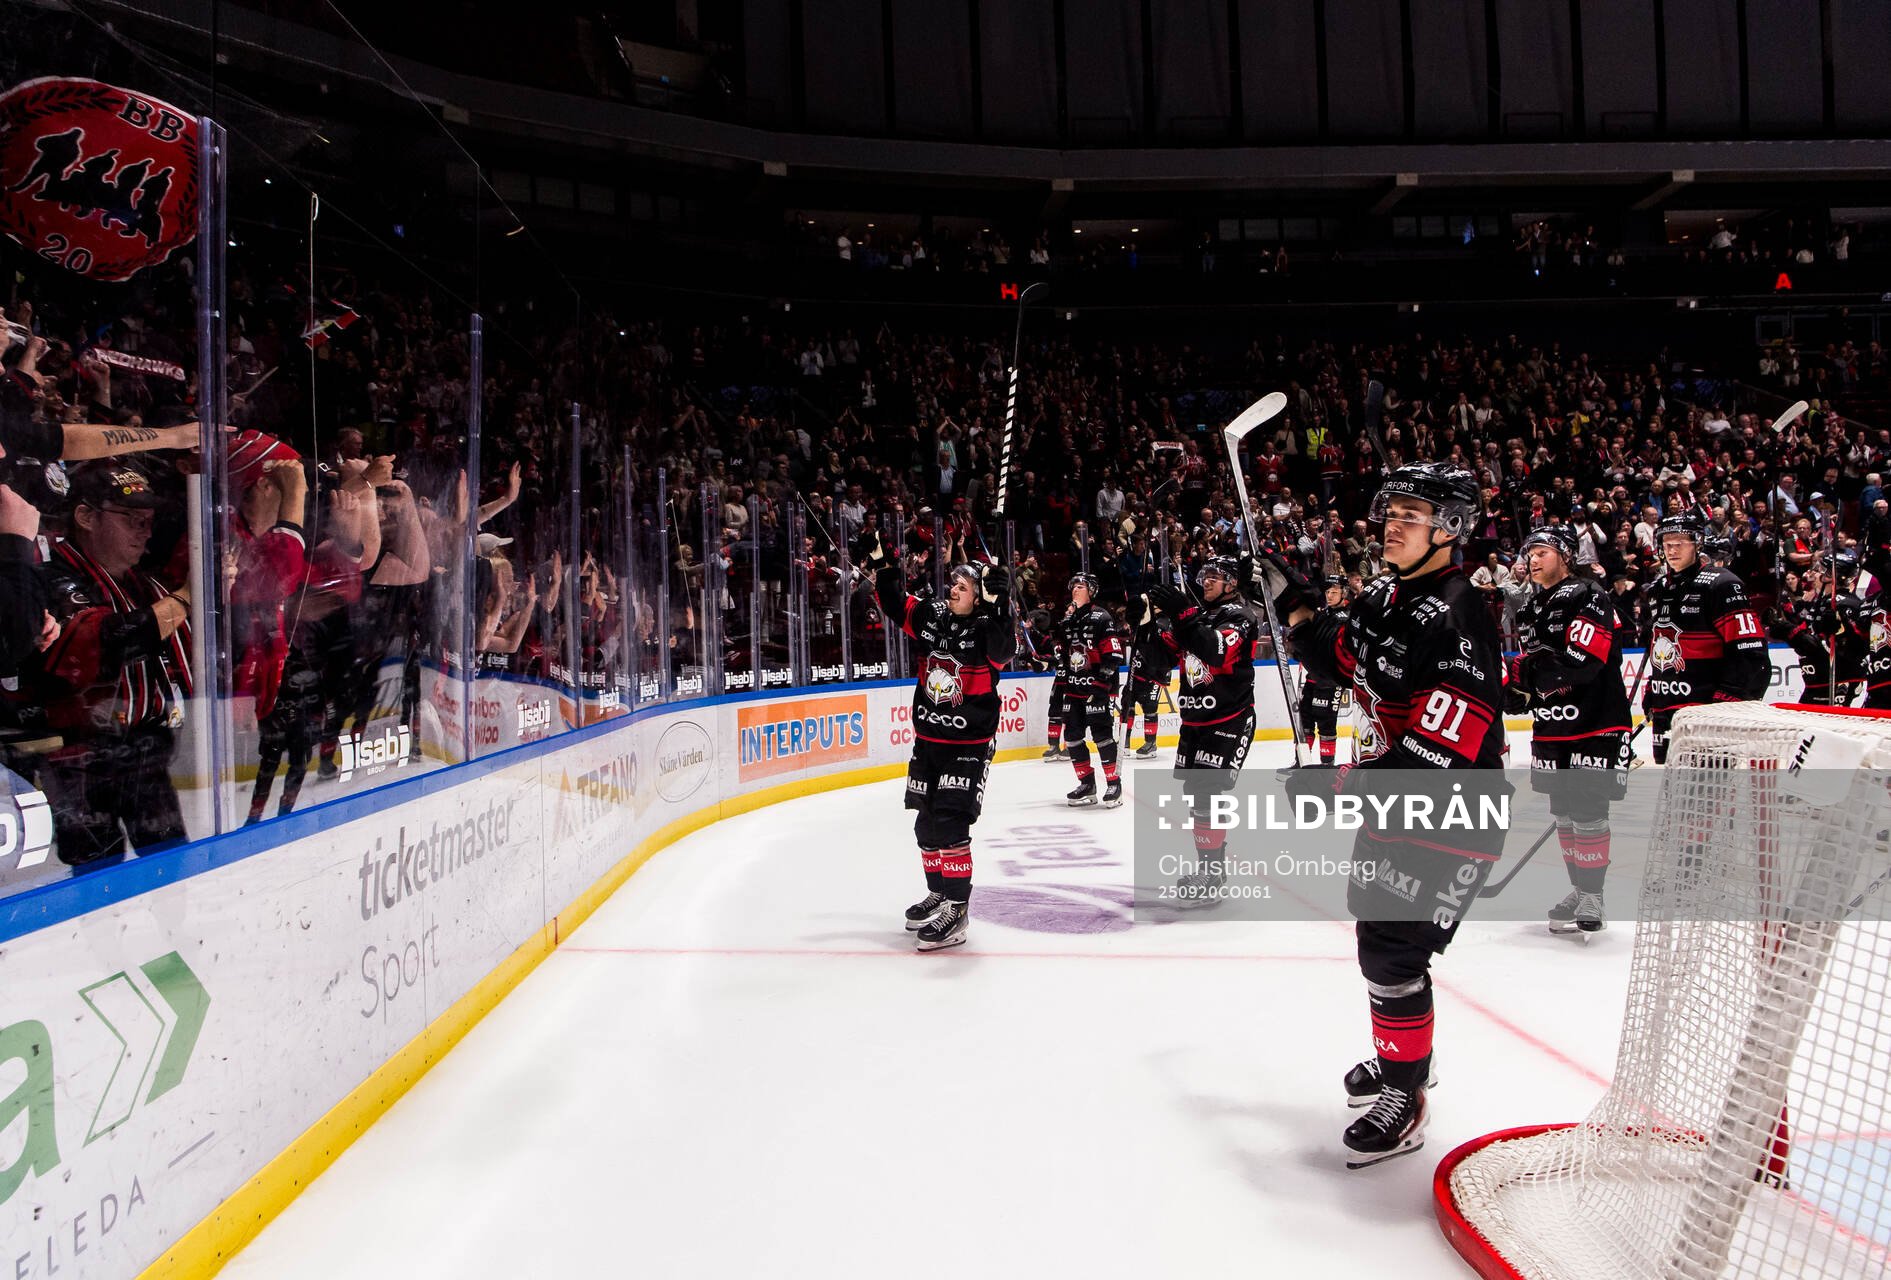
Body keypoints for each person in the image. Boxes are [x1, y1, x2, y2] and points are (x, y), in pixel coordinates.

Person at [1268, 462, 1507, 1170]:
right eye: (1389, 513)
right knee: (1378, 940)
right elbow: (1342, 659)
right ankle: (1406, 1055)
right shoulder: (1384, 596)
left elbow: (1436, 754)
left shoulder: (1462, 615)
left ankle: (1406, 1091)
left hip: (1450, 813)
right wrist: (1296, 607)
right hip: (1393, 806)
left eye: (1410, 515)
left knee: (1394, 953)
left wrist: (1335, 782)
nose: (1391, 526)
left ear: (1450, 527)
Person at [857, 527, 1013, 952]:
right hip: (928, 742)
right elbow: (893, 603)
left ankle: (959, 910)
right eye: (954, 585)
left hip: (968, 745)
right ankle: (941, 893)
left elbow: (1004, 651)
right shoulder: (934, 616)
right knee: (926, 824)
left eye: (963, 587)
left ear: (979, 597)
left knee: (950, 821)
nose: (954, 590)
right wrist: (885, 566)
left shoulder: (985, 627)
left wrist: (1003, 607)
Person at [34, 462, 193, 865]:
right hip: (81, 765)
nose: (146, 532)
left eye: (149, 521)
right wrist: (189, 596)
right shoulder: (52, 576)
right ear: (86, 517)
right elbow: (108, 642)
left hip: (145, 755)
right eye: (133, 520)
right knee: (96, 882)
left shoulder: (142, 582)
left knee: (172, 873)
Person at [1505, 525, 1632, 937]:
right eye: (1530, 553)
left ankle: (1594, 895)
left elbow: (1584, 659)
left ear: (1563, 555)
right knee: (1562, 809)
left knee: (1590, 807)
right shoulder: (1526, 608)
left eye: (1542, 551)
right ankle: (1580, 889)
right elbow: (1535, 670)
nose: (1533, 559)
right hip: (1553, 723)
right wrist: (1516, 690)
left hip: (1597, 720)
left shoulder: (1587, 593)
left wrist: (1530, 671)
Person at [1147, 556, 1261, 899]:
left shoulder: (1240, 616)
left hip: (1230, 718)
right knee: (1197, 798)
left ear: (1232, 584)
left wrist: (1182, 614)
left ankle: (1212, 874)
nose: (1207, 581)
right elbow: (1160, 661)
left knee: (1209, 794)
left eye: (1216, 576)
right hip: (1194, 722)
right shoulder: (1198, 618)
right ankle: (1209, 870)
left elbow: (1214, 651)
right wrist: (1148, 626)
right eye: (1205, 575)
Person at [1640, 511, 1769, 764]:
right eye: (1667, 544)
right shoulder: (1657, 590)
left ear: (1697, 543)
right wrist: (1653, 692)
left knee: (1710, 793)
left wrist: (1724, 704)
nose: (1672, 550)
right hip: (1669, 710)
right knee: (1675, 792)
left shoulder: (1721, 584)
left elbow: (1751, 654)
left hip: (1707, 714)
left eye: (1680, 543)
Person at [1054, 573, 1125, 807]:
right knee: (1072, 737)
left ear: (1091, 591)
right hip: (1073, 691)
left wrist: (1101, 684)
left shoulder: (1101, 617)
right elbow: (1061, 651)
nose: (1075, 589)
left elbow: (1114, 656)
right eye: (1073, 585)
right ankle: (1087, 784)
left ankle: (1114, 784)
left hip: (1096, 690)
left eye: (1080, 586)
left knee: (1102, 736)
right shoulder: (1068, 621)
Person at [1770, 550, 1868, 706]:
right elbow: (1809, 636)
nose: (1811, 574)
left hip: (1839, 683)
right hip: (1818, 684)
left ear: (1831, 576)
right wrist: (1783, 628)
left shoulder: (1843, 604)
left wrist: (1791, 633)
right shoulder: (1822, 602)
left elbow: (1842, 648)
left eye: (1817, 570)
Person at [1297, 578, 1348, 766]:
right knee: (1306, 718)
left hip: (1331, 679)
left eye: (1334, 592)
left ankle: (1327, 765)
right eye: (1327, 592)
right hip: (1313, 675)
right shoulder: (1324, 613)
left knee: (1325, 721)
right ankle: (1303, 762)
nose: (1329, 595)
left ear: (1344, 593)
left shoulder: (1346, 616)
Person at [1118, 598, 1174, 759]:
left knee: (1149, 706)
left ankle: (1150, 744)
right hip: (1137, 669)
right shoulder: (1144, 621)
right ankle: (1124, 741)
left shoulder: (1165, 622)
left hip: (1155, 671)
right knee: (1127, 703)